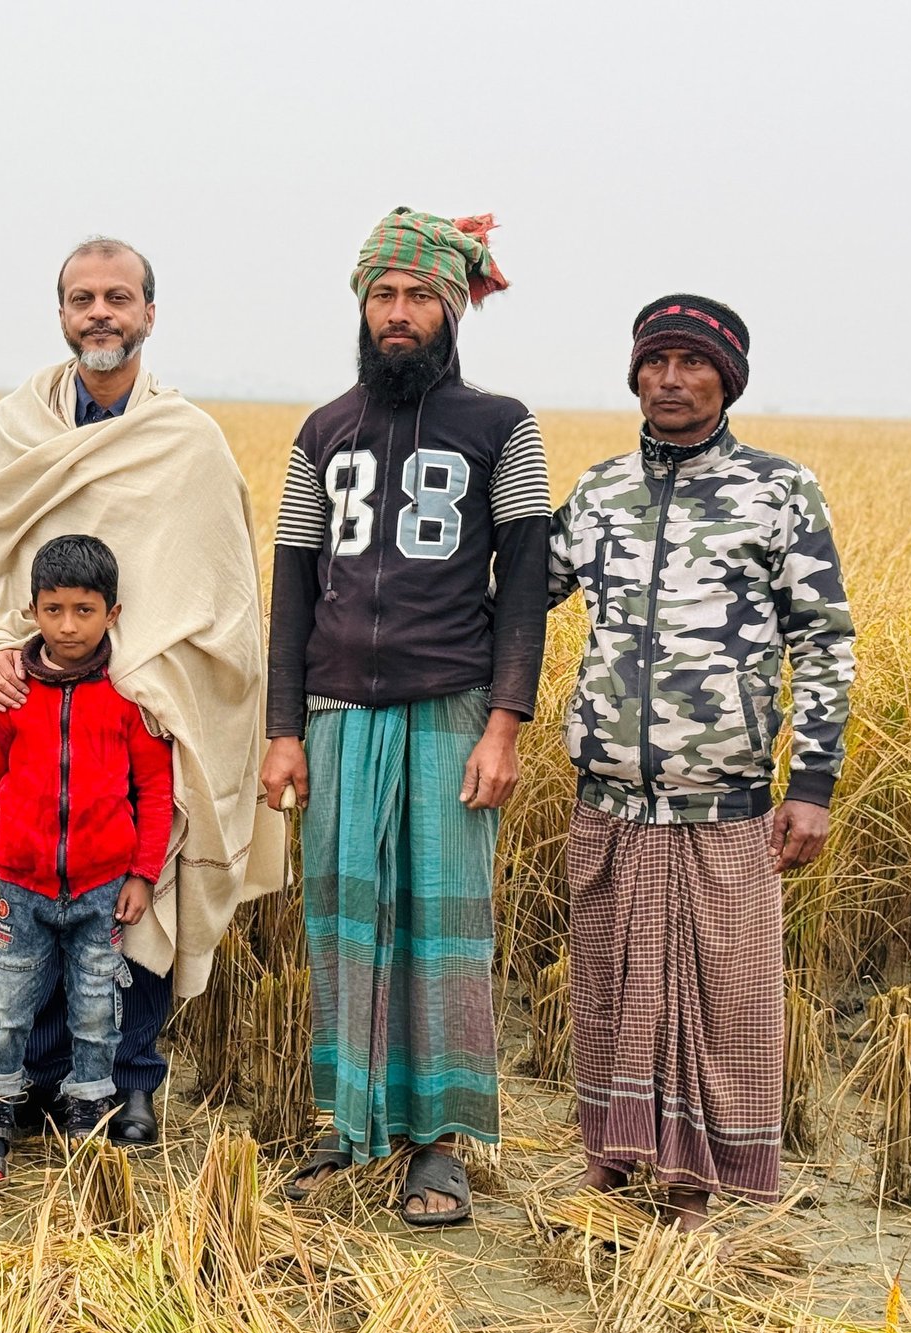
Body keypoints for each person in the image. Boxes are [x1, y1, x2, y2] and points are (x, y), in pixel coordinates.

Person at [0, 237, 283, 1148]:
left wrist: (152, 679)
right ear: (61, 313)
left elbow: (221, 595)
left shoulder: (189, 441)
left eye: (119, 298)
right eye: (82, 298)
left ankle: (130, 1083)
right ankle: (40, 1084)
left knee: (138, 901)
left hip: (151, 711)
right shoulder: (19, 428)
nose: (101, 313)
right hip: (42, 701)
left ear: (148, 312)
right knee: (40, 910)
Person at [262, 207, 550, 1225]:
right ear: (361, 306)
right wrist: (283, 727)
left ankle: (439, 1144)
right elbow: (294, 584)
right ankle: (348, 1127)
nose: (398, 312)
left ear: (454, 306)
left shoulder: (501, 426)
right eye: (382, 295)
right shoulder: (322, 430)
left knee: (442, 927)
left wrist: (505, 725)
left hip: (451, 706)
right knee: (344, 923)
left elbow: (523, 584)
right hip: (340, 711)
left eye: (418, 295)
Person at [550, 295, 855, 1228]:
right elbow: (516, 602)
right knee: (606, 981)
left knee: (723, 992)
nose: (671, 380)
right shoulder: (600, 492)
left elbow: (826, 640)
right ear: (635, 374)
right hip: (607, 794)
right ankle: (613, 1152)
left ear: (727, 379)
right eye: (655, 363)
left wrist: (811, 785)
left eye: (693, 364)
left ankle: (695, 1177)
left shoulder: (778, 491)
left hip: (721, 797)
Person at [0, 535, 174, 1180]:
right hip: (20, 891)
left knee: (94, 1009)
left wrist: (141, 873)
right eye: (53, 610)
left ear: (113, 612)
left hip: (102, 890)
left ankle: (86, 1109)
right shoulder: (12, 696)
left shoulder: (128, 698)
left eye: (84, 610)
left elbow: (154, 791)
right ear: (31, 611)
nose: (68, 625)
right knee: (8, 1004)